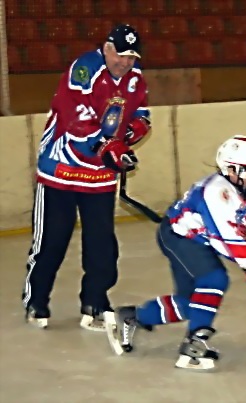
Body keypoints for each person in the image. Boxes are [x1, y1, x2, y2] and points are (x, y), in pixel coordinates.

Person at [104, 135, 246, 371]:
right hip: (179, 238)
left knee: (191, 303)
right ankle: (195, 344)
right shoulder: (217, 192)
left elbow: (232, 235)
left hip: (194, 239)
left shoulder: (243, 190)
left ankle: (132, 316)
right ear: (231, 168)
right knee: (215, 279)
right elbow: (228, 238)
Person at [23, 24, 151, 331]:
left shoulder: (135, 79)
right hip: (61, 171)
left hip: (99, 176)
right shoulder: (84, 68)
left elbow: (140, 113)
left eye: (131, 57)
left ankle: (94, 302)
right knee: (51, 241)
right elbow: (75, 117)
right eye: (120, 54)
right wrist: (106, 146)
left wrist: (135, 130)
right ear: (107, 48)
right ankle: (37, 300)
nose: (124, 62)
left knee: (102, 245)